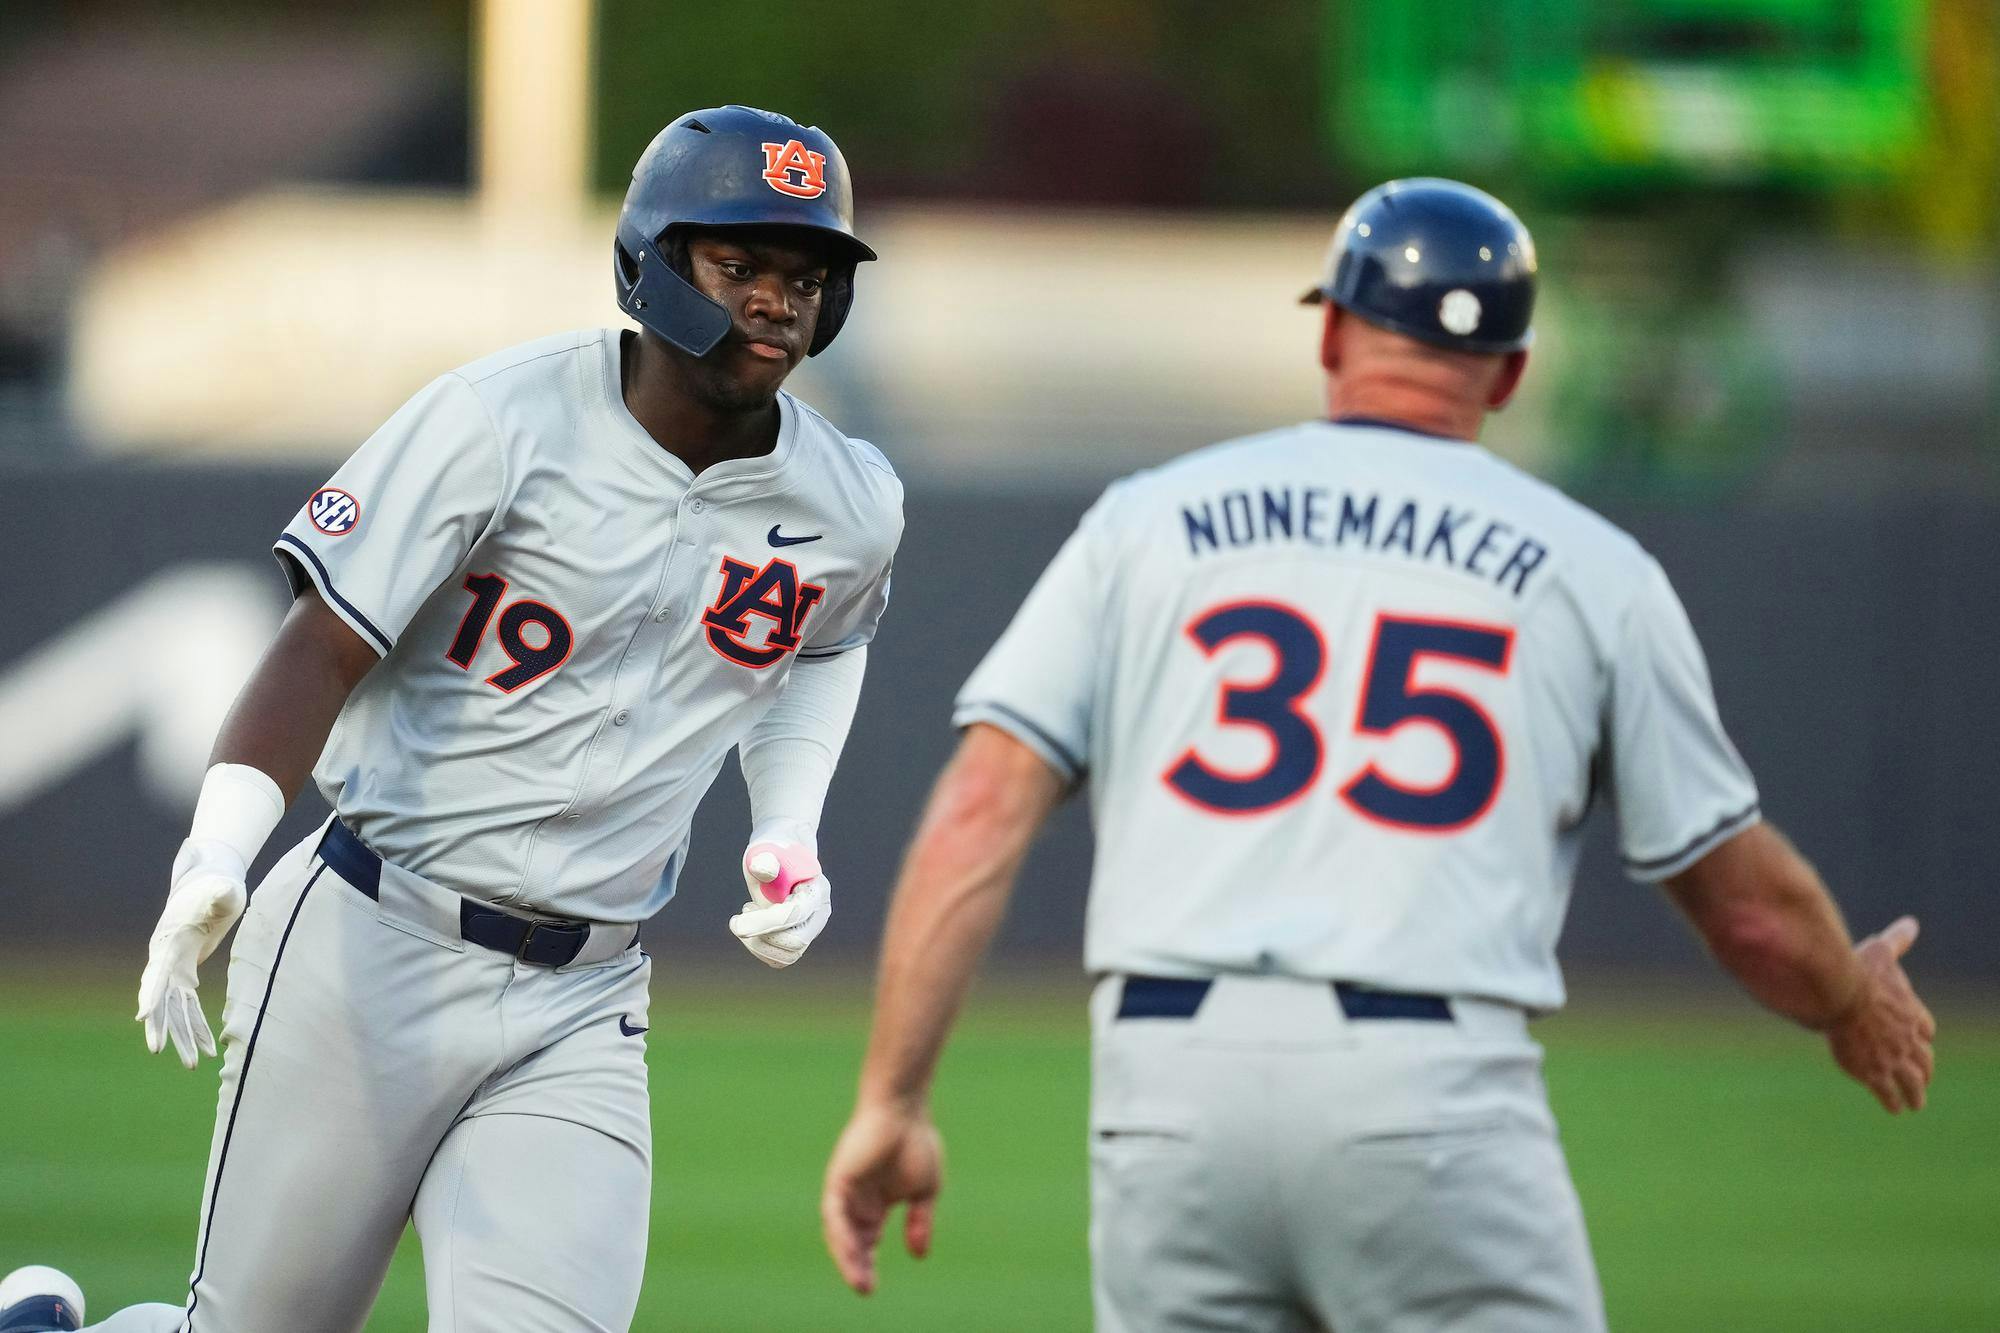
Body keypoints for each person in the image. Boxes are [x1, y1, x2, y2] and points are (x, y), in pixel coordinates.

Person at [817, 178, 1935, 1331]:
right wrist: (1847, 998)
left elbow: (974, 817)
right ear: (1506, 372)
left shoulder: (1146, 520)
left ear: (1331, 329)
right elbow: (1742, 908)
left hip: (1167, 1093)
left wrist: (892, 1096)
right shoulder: (1591, 568)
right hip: (1426, 1097)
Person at [1, 104, 901, 1333]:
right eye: (737, 263)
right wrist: (216, 848)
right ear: (651, 258)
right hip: (373, 933)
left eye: (803, 275)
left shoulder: (847, 501)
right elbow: (320, 644)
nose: (774, 300)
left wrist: (786, 823)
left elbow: (823, 645)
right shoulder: (498, 419)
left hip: (584, 992)